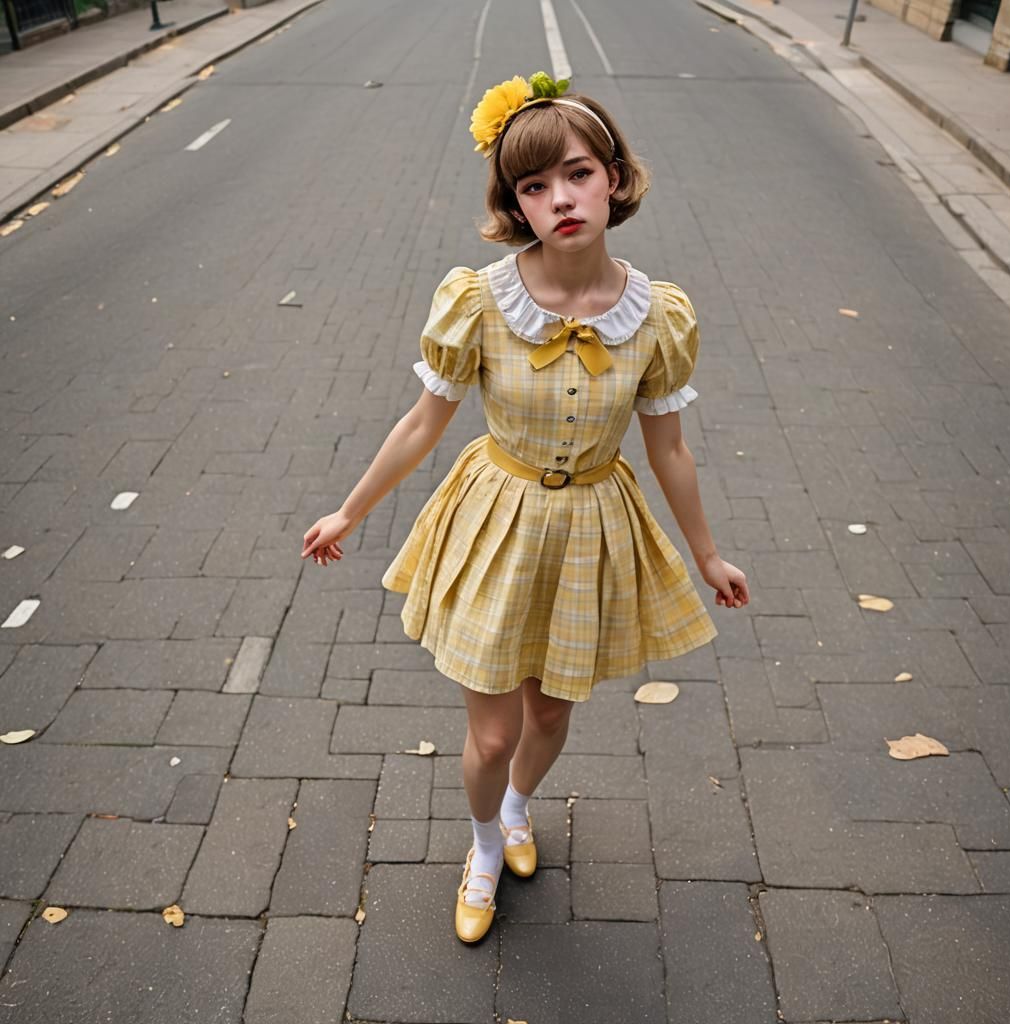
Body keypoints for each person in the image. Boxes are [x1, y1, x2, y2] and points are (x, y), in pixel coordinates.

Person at [301, 72, 749, 945]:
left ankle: (515, 810)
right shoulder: (480, 301)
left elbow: (669, 448)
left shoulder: (659, 316)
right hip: (495, 522)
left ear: (613, 177)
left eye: (577, 175)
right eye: (534, 187)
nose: (560, 199)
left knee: (549, 716)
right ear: (516, 205)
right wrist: (350, 512)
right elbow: (423, 421)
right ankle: (478, 844)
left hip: (589, 529)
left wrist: (707, 554)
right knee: (493, 730)